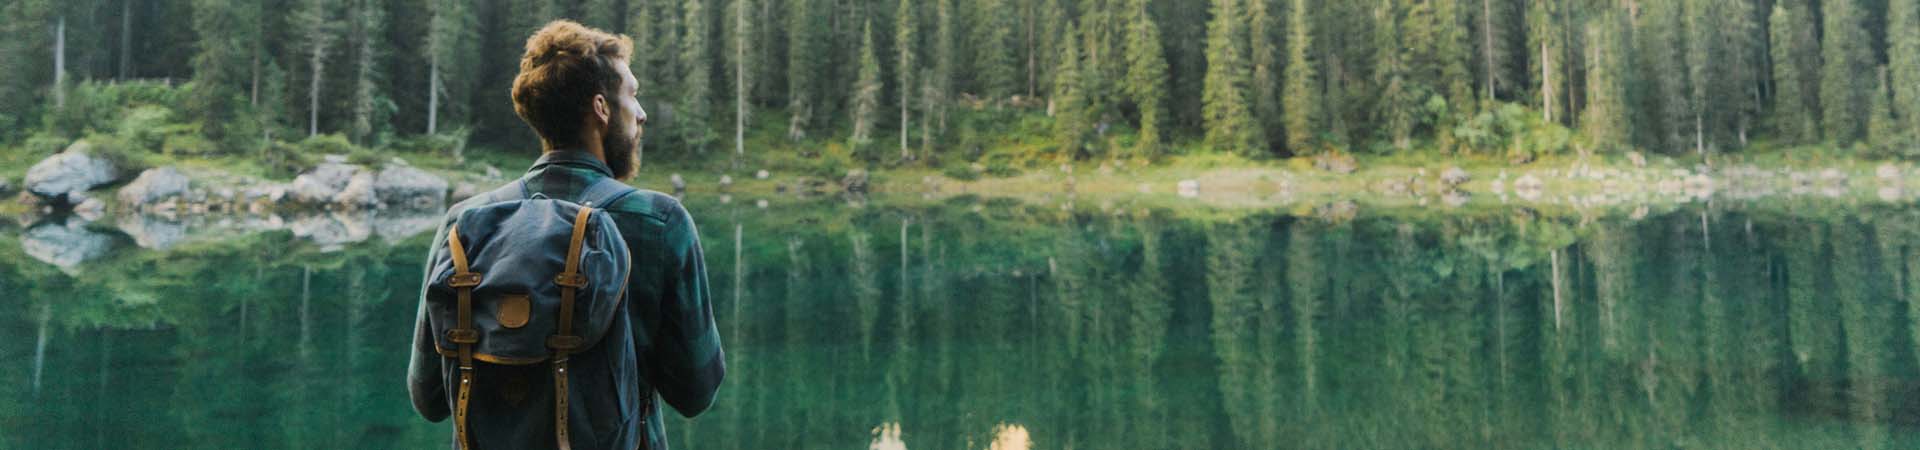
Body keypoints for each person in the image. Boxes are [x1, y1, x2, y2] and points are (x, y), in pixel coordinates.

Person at [408, 20, 725, 450]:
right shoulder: (660, 222)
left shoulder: (464, 223)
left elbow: (428, 398)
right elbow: (696, 391)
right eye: (633, 95)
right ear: (601, 109)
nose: (642, 113)